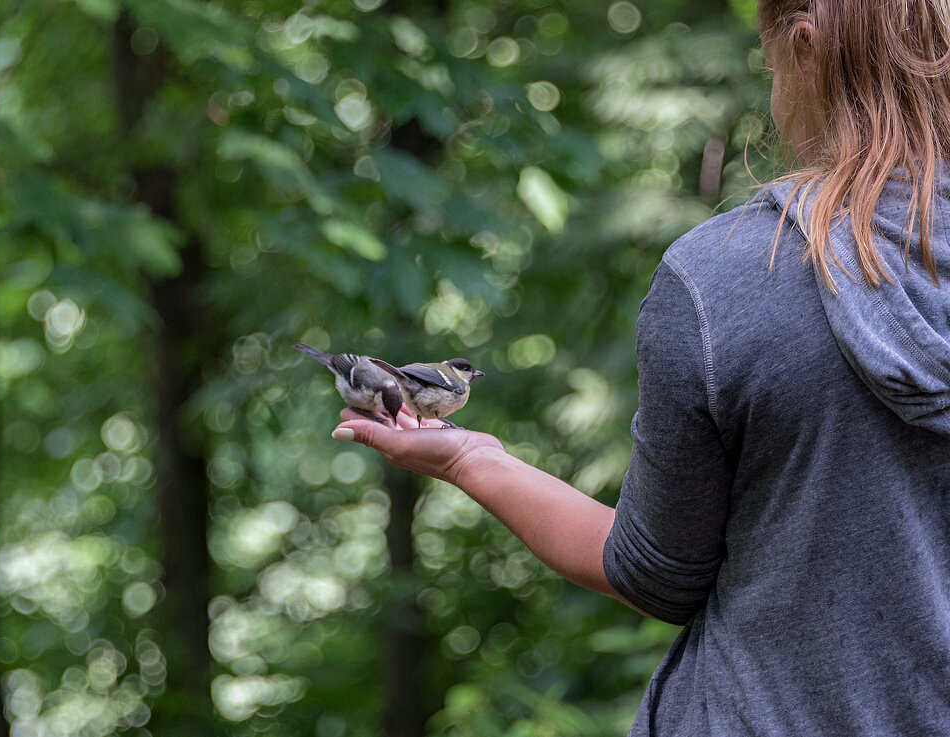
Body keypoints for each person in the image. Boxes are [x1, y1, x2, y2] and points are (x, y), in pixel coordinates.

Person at [331, 1, 950, 734]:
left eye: (770, 64)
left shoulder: (726, 277)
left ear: (806, 48)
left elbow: (653, 573)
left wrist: (472, 459)